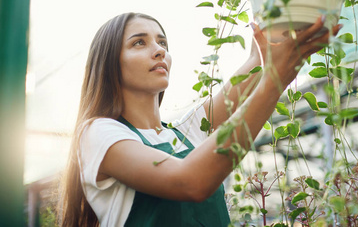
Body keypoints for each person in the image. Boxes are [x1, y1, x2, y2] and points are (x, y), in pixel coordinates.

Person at [59, 12, 340, 226]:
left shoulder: (184, 133)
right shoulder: (97, 133)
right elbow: (190, 181)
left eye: (162, 42)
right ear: (109, 62)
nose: (159, 50)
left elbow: (259, 56)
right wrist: (275, 80)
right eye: (139, 42)